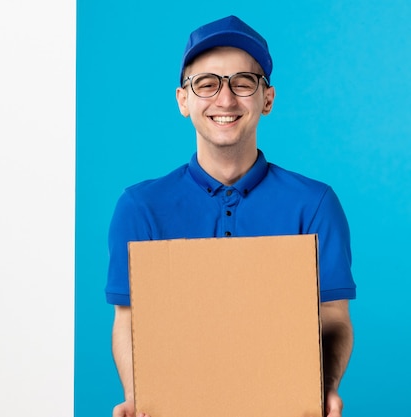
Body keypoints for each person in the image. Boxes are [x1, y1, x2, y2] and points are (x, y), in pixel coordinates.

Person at [105, 15, 356, 417]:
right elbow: (129, 319)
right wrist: (141, 398)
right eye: (206, 84)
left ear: (267, 99)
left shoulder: (314, 204)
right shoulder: (141, 207)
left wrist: (322, 389)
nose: (225, 100)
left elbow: (333, 315)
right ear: (183, 100)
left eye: (243, 83)